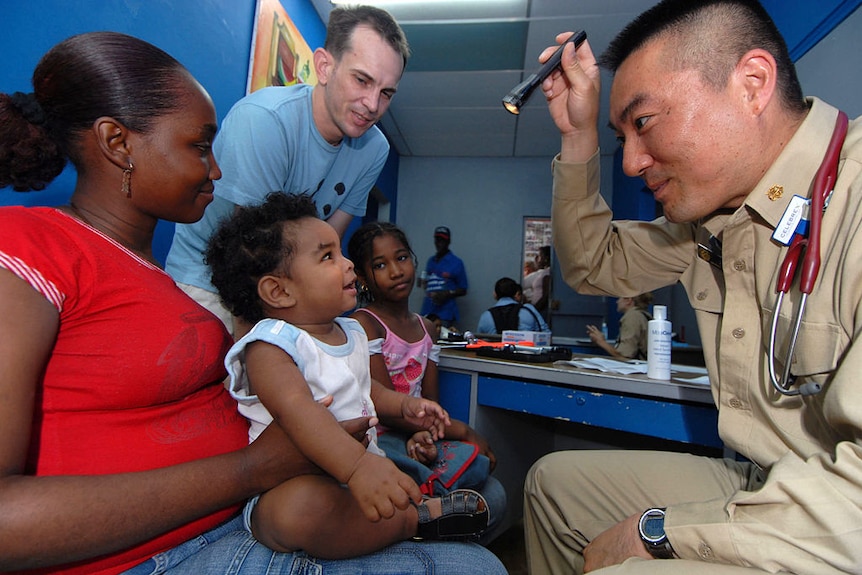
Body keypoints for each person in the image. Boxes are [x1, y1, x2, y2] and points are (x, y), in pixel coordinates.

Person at [0, 31, 507, 575]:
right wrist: (252, 470)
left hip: (245, 502)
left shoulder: (162, 283)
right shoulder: (27, 249)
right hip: (180, 541)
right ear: (118, 144)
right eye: (199, 147)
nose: (216, 170)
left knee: (489, 498)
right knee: (477, 565)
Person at [524, 1, 862, 574]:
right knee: (553, 487)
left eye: (645, 122)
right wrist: (579, 136)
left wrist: (659, 534)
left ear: (752, 84)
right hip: (765, 474)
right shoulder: (711, 223)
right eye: (621, 135)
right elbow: (591, 264)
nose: (630, 162)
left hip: (839, 502)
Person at [205, 193, 490, 558]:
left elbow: (366, 388)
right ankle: (412, 522)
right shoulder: (270, 346)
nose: (348, 264)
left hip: (361, 473)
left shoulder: (352, 331)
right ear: (279, 290)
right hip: (295, 480)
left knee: (376, 491)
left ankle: (391, 516)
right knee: (296, 511)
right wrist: (357, 468)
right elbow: (298, 411)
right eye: (328, 256)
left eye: (341, 252)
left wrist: (406, 405)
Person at [165, 5, 409, 334]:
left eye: (386, 93)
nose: (372, 104)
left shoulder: (374, 148)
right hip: (207, 282)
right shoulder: (265, 120)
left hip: (287, 282)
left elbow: (327, 240)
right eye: (361, 80)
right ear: (324, 66)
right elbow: (251, 255)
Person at [346, 221, 508, 543]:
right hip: (378, 439)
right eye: (380, 265)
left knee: (494, 491)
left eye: (402, 258)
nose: (396, 271)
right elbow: (387, 407)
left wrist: (427, 435)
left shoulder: (426, 328)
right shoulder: (364, 324)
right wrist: (465, 431)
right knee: (461, 475)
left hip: (415, 432)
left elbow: (431, 405)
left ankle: (427, 504)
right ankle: (423, 507)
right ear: (362, 277)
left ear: (414, 260)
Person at [419, 226, 468, 327]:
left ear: (448, 242)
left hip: (445, 314)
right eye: (437, 239)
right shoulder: (431, 261)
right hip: (427, 311)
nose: (439, 243)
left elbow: (463, 289)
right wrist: (422, 282)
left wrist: (447, 293)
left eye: (442, 240)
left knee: (442, 340)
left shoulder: (456, 262)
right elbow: (426, 283)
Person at [586, 293, 653, 360]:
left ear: (628, 300)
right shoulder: (643, 315)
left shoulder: (632, 317)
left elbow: (624, 355)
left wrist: (601, 341)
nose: (617, 302)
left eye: (619, 298)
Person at [476, 277, 550, 334]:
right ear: (516, 294)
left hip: (495, 353)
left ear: (495, 294)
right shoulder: (529, 310)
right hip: (525, 352)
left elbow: (479, 341)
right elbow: (545, 333)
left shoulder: (486, 316)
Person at [524, 245, 551, 315]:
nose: (537, 259)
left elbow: (545, 295)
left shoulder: (546, 273)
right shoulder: (544, 272)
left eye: (539, 256)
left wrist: (534, 310)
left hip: (541, 311)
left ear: (546, 258)